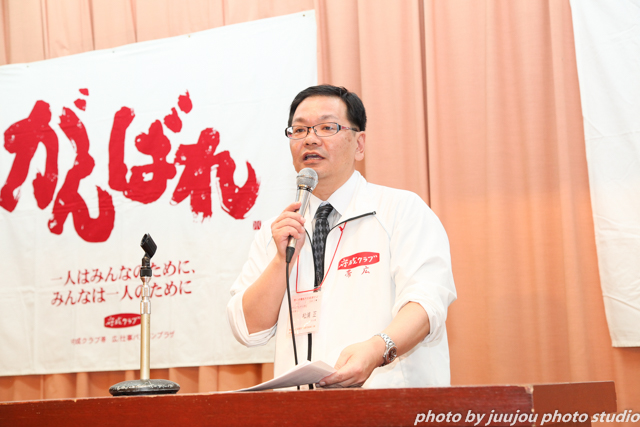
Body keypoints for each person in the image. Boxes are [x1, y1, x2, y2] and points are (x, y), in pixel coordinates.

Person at [227, 85, 456, 388]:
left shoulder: (400, 210)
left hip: (387, 402)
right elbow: (248, 330)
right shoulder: (280, 231)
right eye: (299, 130)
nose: (310, 139)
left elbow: (427, 303)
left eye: (327, 127)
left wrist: (377, 349)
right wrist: (281, 260)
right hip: (299, 408)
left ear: (359, 144)